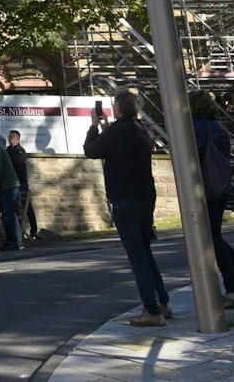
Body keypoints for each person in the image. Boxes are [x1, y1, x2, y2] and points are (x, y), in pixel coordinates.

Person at [85, 91, 171, 327]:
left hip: (125, 199)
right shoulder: (141, 130)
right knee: (145, 251)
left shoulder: (116, 131)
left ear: (119, 108)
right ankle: (162, 302)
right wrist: (106, 128)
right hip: (145, 197)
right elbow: (116, 148)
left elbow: (91, 150)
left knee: (137, 256)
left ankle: (152, 310)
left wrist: (94, 126)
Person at [192, 90, 234, 306]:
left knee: (212, 239)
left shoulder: (196, 128)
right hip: (221, 185)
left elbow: (194, 154)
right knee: (215, 236)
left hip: (205, 188)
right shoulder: (218, 127)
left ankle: (233, 291)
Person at [0, 135, 22, 252]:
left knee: (9, 214)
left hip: (7, 186)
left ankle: (14, 241)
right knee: (11, 214)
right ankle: (16, 241)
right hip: (11, 185)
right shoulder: (3, 150)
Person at [7, 129, 38, 242]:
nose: (9, 139)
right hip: (12, 183)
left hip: (21, 183)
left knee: (27, 207)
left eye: (12, 137)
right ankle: (19, 231)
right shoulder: (8, 150)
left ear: (17, 139)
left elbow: (16, 162)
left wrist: (8, 154)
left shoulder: (20, 151)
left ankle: (34, 231)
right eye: (9, 136)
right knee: (15, 208)